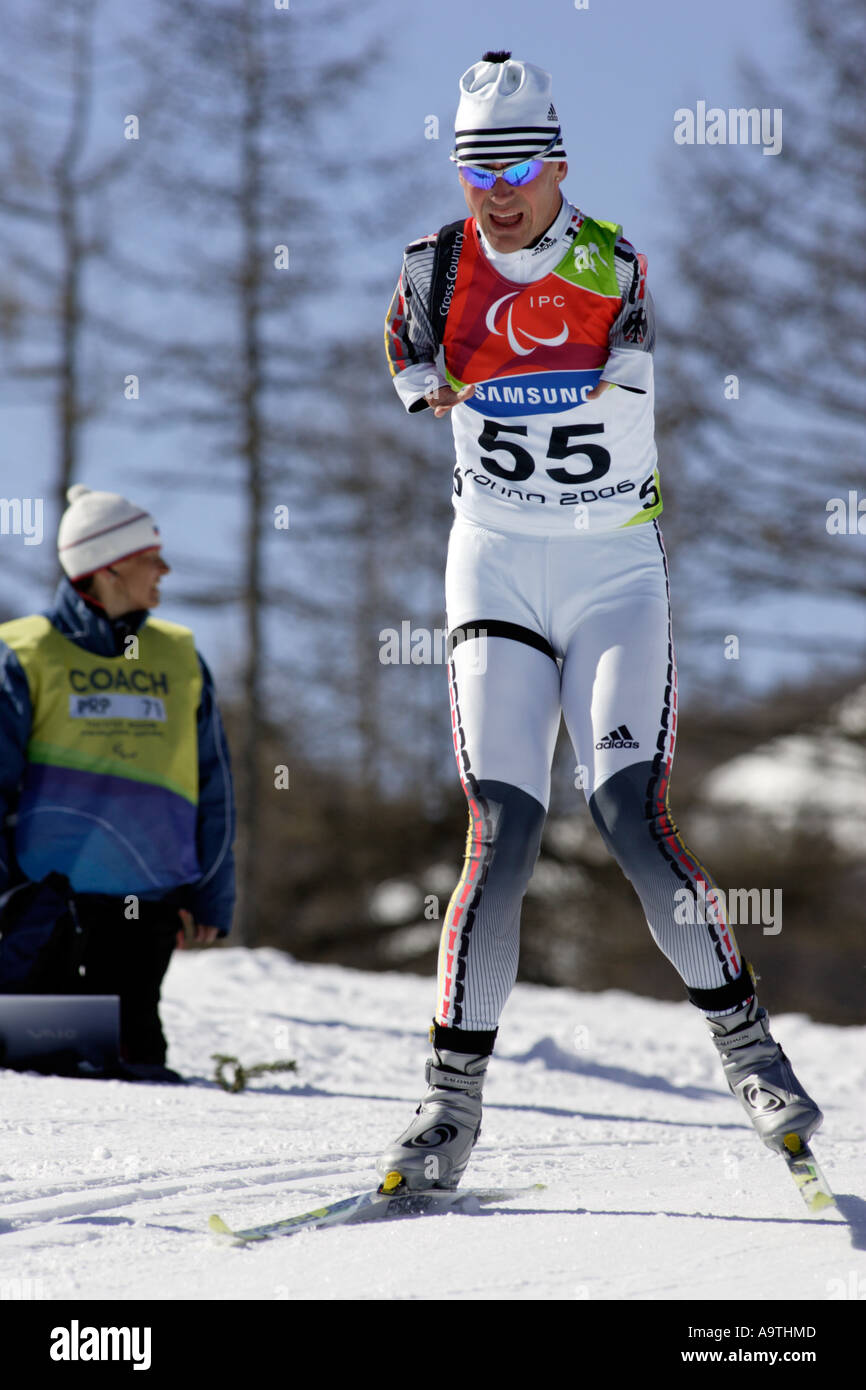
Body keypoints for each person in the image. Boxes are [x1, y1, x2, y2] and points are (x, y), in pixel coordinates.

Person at [379, 52, 822, 1189]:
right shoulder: (428, 270)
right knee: (502, 830)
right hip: (494, 573)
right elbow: (408, 358)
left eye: (516, 163)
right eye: (475, 166)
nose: (496, 187)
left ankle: (748, 1052)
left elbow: (577, 371)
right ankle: (446, 1106)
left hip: (613, 573)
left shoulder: (608, 259)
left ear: (558, 162)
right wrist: (434, 382)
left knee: (628, 812)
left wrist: (477, 380)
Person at [0, 484, 236, 1081]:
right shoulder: (23, 651)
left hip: (147, 905)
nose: (165, 569)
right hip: (45, 907)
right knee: (48, 1070)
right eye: (149, 557)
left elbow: (214, 784)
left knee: (139, 1070)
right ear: (108, 569)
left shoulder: (180, 654)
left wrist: (211, 890)